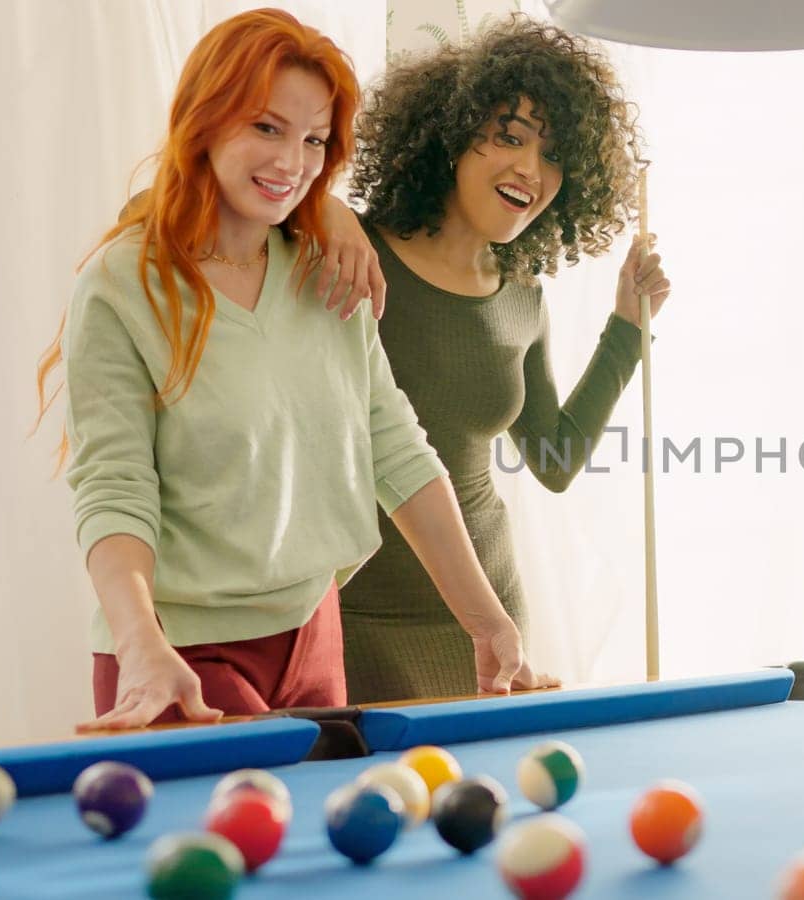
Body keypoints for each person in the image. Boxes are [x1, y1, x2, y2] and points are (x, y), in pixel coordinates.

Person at [34, 8, 553, 731]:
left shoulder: (329, 272)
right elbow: (114, 490)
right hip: (181, 654)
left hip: (316, 636)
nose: (291, 162)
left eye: (314, 140)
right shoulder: (123, 287)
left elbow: (396, 448)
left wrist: (487, 621)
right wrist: (140, 645)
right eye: (266, 128)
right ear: (206, 119)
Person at [319, 16, 671, 702]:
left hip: (491, 621)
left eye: (553, 155)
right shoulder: (351, 251)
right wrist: (321, 208)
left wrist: (626, 328)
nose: (530, 171)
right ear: (449, 135)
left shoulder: (521, 299)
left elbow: (555, 459)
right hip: (358, 618)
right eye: (509, 137)